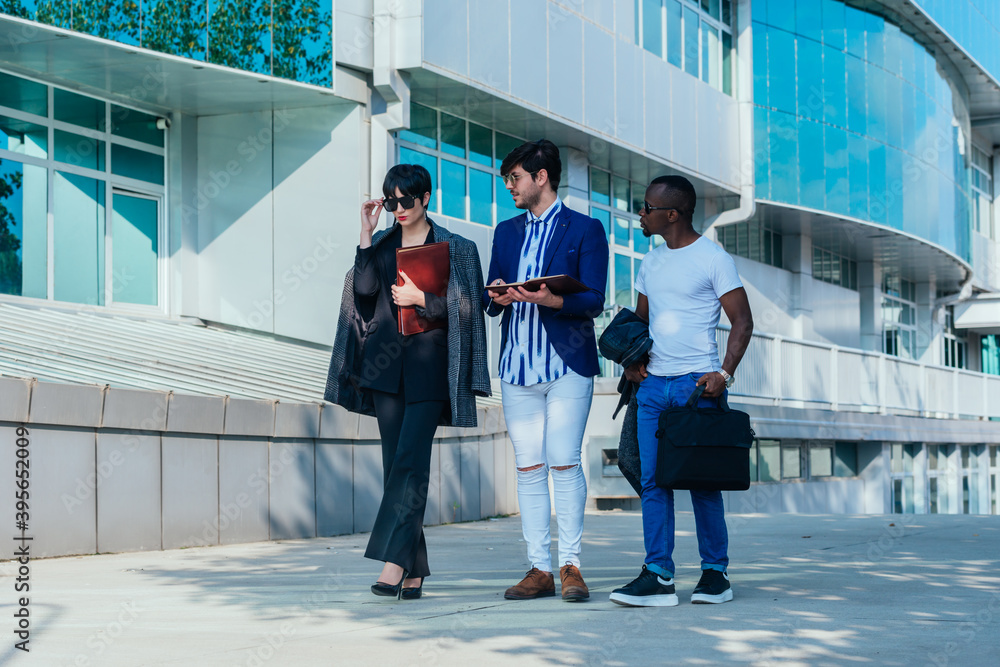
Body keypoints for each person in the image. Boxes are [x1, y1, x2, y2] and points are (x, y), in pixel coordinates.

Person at [324, 164, 491, 600]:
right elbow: (362, 292)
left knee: (411, 463)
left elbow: (470, 310)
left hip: (430, 368)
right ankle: (415, 568)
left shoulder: (456, 247)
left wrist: (425, 300)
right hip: (383, 370)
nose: (398, 208)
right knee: (395, 467)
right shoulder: (381, 245)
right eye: (390, 201)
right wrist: (365, 234)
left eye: (406, 200)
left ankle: (393, 563)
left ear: (426, 198)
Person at [609, 175, 753, 607]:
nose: (641, 214)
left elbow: (743, 322)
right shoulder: (650, 262)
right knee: (653, 483)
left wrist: (723, 375)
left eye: (647, 208)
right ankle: (659, 576)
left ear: (671, 214)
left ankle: (715, 575)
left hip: (698, 389)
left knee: (703, 484)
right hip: (653, 389)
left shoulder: (713, 258)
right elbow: (640, 322)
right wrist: (631, 363)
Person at [483, 139, 609, 602]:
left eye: (515, 178)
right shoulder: (506, 231)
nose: (510, 187)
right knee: (529, 466)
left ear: (541, 177)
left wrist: (551, 298)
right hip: (517, 367)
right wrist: (495, 293)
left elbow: (594, 299)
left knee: (562, 458)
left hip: (567, 365)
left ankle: (571, 564)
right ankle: (539, 568)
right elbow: (491, 298)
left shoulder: (585, 229)